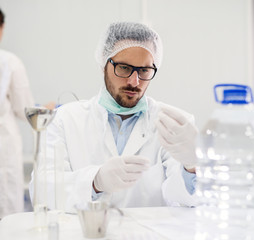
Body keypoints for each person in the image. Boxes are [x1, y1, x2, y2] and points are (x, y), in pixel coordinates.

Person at [30, 22, 198, 212]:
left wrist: (191, 166)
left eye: (144, 71)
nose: (134, 82)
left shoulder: (174, 124)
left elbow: (186, 201)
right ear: (104, 64)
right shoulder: (63, 120)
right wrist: (95, 181)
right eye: (124, 68)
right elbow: (42, 190)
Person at [0, 8, 35, 218]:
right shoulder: (8, 62)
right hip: (3, 145)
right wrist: (43, 109)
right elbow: (25, 110)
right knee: (7, 215)